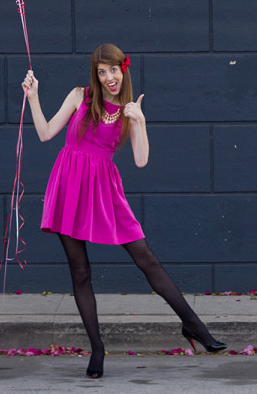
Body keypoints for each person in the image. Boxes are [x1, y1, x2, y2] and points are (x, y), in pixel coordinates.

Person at [22, 42, 226, 379]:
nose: (108, 78)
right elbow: (45, 134)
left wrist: (140, 122)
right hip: (69, 186)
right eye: (101, 72)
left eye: (113, 70)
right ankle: (97, 349)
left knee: (147, 258)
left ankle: (193, 326)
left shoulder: (130, 111)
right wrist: (33, 97)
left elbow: (141, 161)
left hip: (104, 191)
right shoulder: (79, 96)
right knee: (81, 272)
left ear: (123, 69)